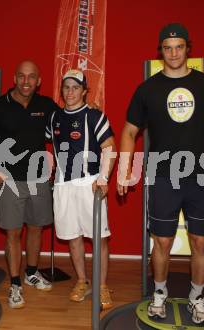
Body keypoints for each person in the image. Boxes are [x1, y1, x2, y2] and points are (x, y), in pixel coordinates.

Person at [117, 23, 204, 325]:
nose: (173, 53)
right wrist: (124, 171)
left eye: (178, 47)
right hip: (163, 175)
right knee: (161, 242)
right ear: (160, 51)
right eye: (167, 47)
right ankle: (159, 294)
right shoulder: (147, 89)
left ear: (188, 49)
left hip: (200, 176)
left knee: (201, 241)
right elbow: (128, 131)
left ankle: (197, 297)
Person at [0, 60, 58, 309]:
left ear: (38, 80)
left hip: (39, 178)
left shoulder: (46, 106)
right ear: (14, 77)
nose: (26, 81)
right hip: (9, 181)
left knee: (35, 228)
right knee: (12, 233)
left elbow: (67, 127)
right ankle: (15, 284)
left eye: (31, 77)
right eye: (21, 76)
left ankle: (31, 273)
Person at [46, 69, 116, 309]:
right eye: (66, 87)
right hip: (63, 185)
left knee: (99, 237)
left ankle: (102, 286)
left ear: (85, 91)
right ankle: (82, 281)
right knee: (73, 237)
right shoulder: (53, 118)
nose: (70, 92)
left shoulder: (95, 116)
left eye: (76, 87)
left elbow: (109, 147)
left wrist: (104, 178)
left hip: (90, 183)